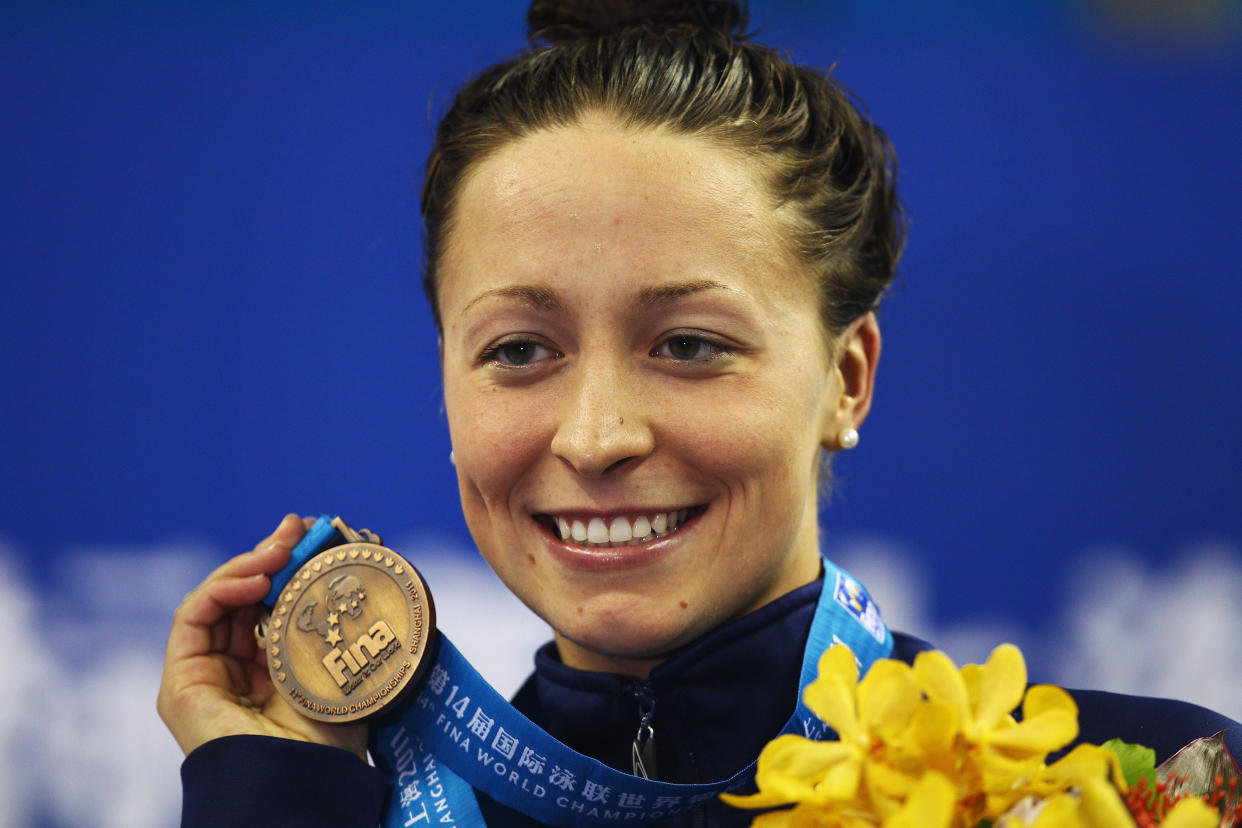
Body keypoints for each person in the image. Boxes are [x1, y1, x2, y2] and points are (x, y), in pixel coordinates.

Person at [157, 2, 1241, 826]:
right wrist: (274, 782)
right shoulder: (334, 803)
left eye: (688, 345)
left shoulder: (1129, 787)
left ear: (847, 379)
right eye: (519, 351)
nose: (594, 436)